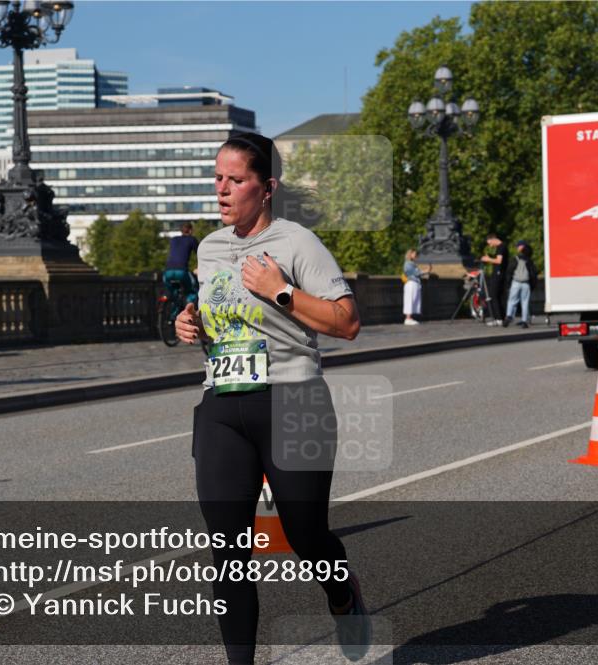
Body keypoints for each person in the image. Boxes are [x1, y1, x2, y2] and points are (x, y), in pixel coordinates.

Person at [174, 132, 370, 665]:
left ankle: (341, 591)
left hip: (294, 401)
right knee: (227, 553)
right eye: (217, 178)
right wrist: (189, 321)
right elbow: (217, 311)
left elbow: (348, 323)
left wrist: (280, 290)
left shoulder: (296, 243)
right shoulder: (210, 248)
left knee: (307, 539)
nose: (222, 189)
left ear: (267, 189)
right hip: (222, 404)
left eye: (236, 180)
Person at [503, 240, 538, 328]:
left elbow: (509, 271)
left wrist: (508, 283)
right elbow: (533, 274)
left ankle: (509, 316)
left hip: (516, 282)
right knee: (525, 302)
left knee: (512, 301)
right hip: (526, 284)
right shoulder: (529, 261)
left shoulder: (516, 259)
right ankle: (524, 321)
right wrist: (532, 285)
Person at [164, 222, 200, 304]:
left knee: (172, 293)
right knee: (193, 289)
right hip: (181, 272)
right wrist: (199, 268)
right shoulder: (192, 239)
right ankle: (189, 307)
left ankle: (172, 303)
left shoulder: (173, 239)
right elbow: (200, 254)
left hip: (167, 272)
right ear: (190, 231)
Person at [480, 232, 509, 326]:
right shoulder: (502, 247)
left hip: (498, 274)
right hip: (500, 274)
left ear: (493, 239)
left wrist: (488, 259)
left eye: (490, 243)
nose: (490, 245)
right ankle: (502, 317)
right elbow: (498, 259)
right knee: (499, 296)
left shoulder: (501, 247)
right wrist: (491, 257)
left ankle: (498, 318)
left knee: (494, 295)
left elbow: (499, 261)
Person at [402, 248, 430, 325]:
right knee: (410, 300)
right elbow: (415, 272)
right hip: (411, 283)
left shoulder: (411, 263)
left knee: (413, 300)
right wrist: (425, 271)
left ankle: (409, 317)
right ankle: (408, 318)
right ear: (410, 254)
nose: (416, 255)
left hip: (414, 283)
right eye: (414, 254)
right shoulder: (408, 263)